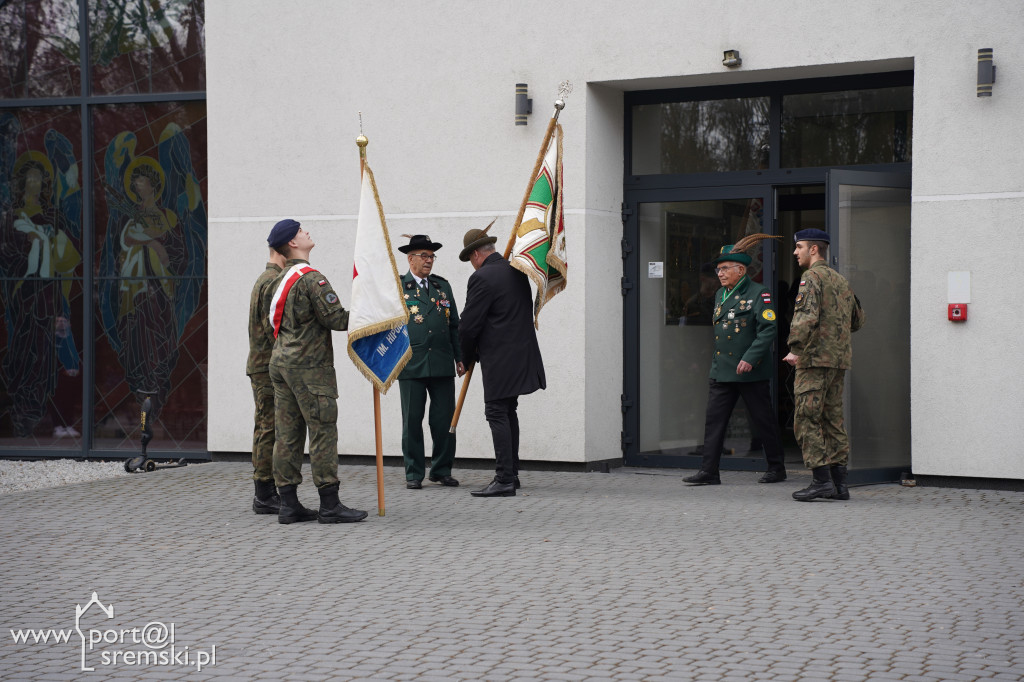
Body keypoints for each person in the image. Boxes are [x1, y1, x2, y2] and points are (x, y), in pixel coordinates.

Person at [266, 218, 367, 524]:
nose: (306, 232)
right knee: (322, 430)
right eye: (300, 231)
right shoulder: (313, 280)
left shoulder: (278, 279)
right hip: (309, 368)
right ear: (293, 244)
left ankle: (288, 503)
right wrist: (371, 313)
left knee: (287, 434)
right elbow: (336, 319)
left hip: (281, 363)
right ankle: (329, 503)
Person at [683, 238, 787, 486]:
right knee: (714, 421)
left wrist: (750, 358)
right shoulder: (720, 294)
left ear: (741, 270)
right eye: (718, 269)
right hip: (722, 369)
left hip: (750, 371)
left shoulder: (758, 293)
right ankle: (709, 471)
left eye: (725, 268)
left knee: (762, 421)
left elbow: (768, 330)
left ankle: (776, 467)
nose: (720, 273)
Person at [458, 224, 546, 497]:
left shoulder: (482, 278)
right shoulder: (517, 270)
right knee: (508, 412)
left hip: (500, 358)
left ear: (475, 255)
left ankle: (504, 478)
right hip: (521, 354)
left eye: (469, 261)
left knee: (496, 412)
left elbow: (469, 325)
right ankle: (512, 474)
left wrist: (464, 357)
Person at [783, 228, 865, 502]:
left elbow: (805, 316)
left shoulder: (811, 277)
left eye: (799, 247)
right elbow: (857, 320)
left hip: (814, 359)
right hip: (838, 360)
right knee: (832, 419)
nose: (795, 252)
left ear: (814, 250)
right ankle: (840, 486)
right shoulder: (842, 281)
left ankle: (820, 482)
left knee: (806, 417)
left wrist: (795, 349)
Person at [396, 234, 466, 489]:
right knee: (412, 420)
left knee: (444, 420)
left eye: (431, 256)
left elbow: (455, 325)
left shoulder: (441, 286)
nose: (429, 261)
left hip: (441, 361)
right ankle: (414, 473)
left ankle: (441, 469)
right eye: (424, 256)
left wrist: (460, 357)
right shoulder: (398, 286)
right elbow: (390, 327)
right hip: (411, 363)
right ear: (410, 258)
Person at [245, 244, 288, 514]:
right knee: (268, 427)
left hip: (264, 365)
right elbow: (274, 327)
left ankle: (268, 490)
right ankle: (264, 493)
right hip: (266, 366)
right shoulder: (272, 281)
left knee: (268, 426)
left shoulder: (268, 278)